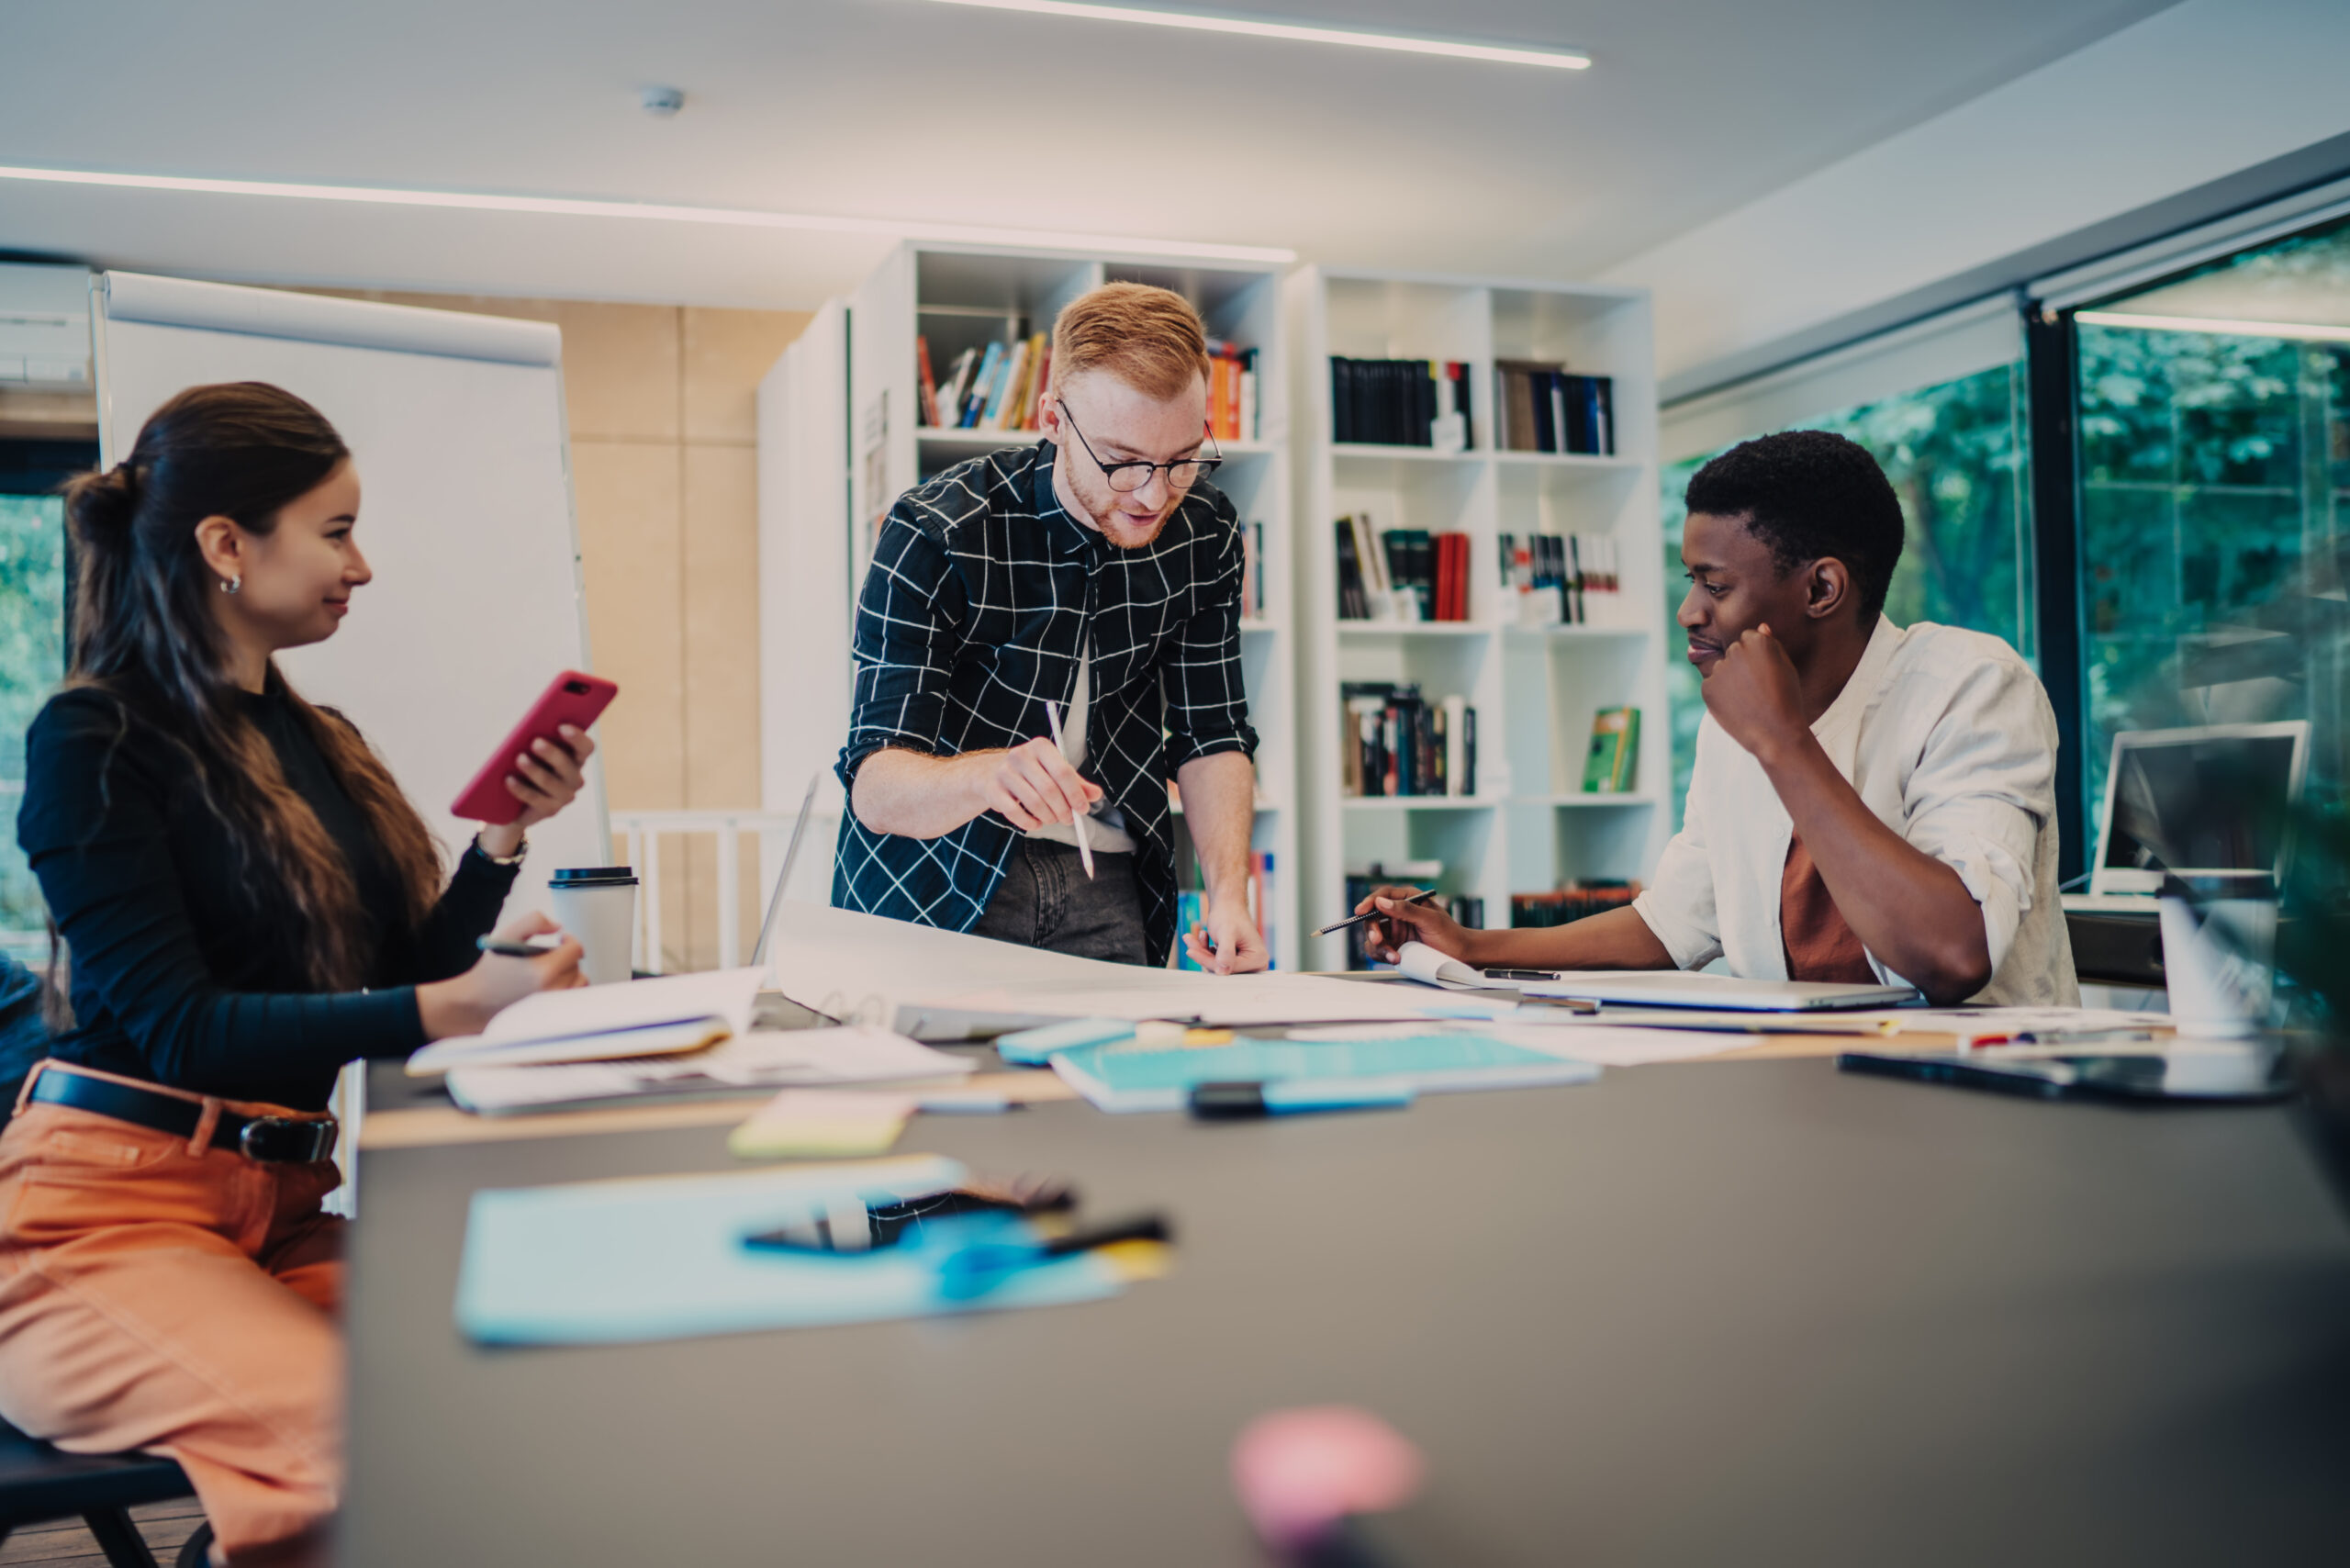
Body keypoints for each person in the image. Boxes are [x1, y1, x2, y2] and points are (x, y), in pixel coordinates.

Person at [0, 383, 598, 1566]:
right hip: (102, 1221)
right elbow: (185, 1029)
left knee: (522, 1406)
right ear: (227, 545)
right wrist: (455, 1004)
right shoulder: (95, 740)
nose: (360, 566)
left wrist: (499, 847)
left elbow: (394, 982)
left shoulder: (321, 741)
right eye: (336, 531)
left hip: (282, 1209)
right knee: (372, 1458)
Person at [1360, 430, 2076, 1007]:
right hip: (1803, 1082)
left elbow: (1952, 956)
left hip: (1977, 1088)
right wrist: (1472, 947)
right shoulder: (1732, 723)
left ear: (1822, 588)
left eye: (1716, 585)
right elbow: (1671, 925)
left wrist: (1782, 741)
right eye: (1691, 580)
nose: (1688, 612)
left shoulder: (1971, 684)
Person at [834, 282, 1266, 973]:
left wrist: (1229, 897)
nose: (1154, 494)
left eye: (1182, 458)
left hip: (1112, 883)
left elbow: (1211, 733)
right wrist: (989, 775)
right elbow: (876, 784)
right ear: (1053, 419)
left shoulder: (1205, 533)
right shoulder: (937, 531)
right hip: (937, 884)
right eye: (1122, 461)